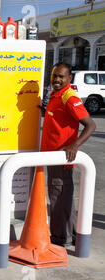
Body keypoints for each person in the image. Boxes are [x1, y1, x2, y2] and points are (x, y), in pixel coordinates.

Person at [39, 62, 96, 247]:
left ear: (69, 78)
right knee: (64, 198)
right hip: (52, 156)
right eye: (55, 75)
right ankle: (70, 235)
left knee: (58, 198)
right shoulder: (57, 95)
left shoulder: (69, 97)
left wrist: (74, 146)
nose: (57, 79)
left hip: (61, 158)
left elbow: (90, 125)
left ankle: (59, 239)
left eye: (61, 76)